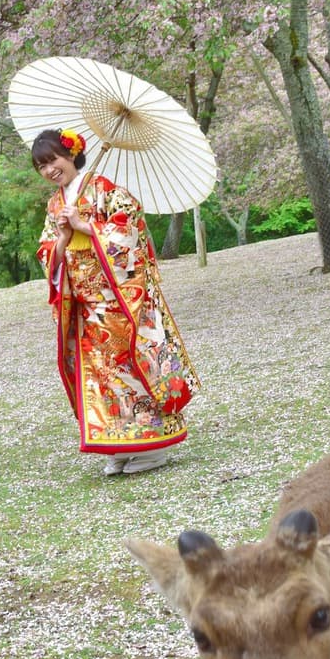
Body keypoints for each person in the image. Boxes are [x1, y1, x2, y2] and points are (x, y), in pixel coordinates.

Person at [32, 128, 199, 475]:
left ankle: (152, 445)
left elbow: (131, 234)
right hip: (83, 305)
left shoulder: (107, 191)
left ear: (71, 155)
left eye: (53, 160)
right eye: (41, 166)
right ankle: (118, 442)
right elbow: (47, 253)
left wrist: (87, 226)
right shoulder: (54, 205)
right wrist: (63, 238)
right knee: (99, 377)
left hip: (119, 301)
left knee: (130, 370)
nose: (49, 170)